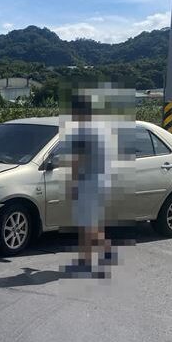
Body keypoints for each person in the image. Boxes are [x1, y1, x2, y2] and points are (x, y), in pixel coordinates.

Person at [60, 89, 117, 277]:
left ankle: (96, 257)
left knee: (86, 226)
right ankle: (89, 259)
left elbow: (77, 160)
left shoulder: (81, 132)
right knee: (92, 224)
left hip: (88, 183)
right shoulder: (102, 130)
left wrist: (72, 184)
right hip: (102, 181)